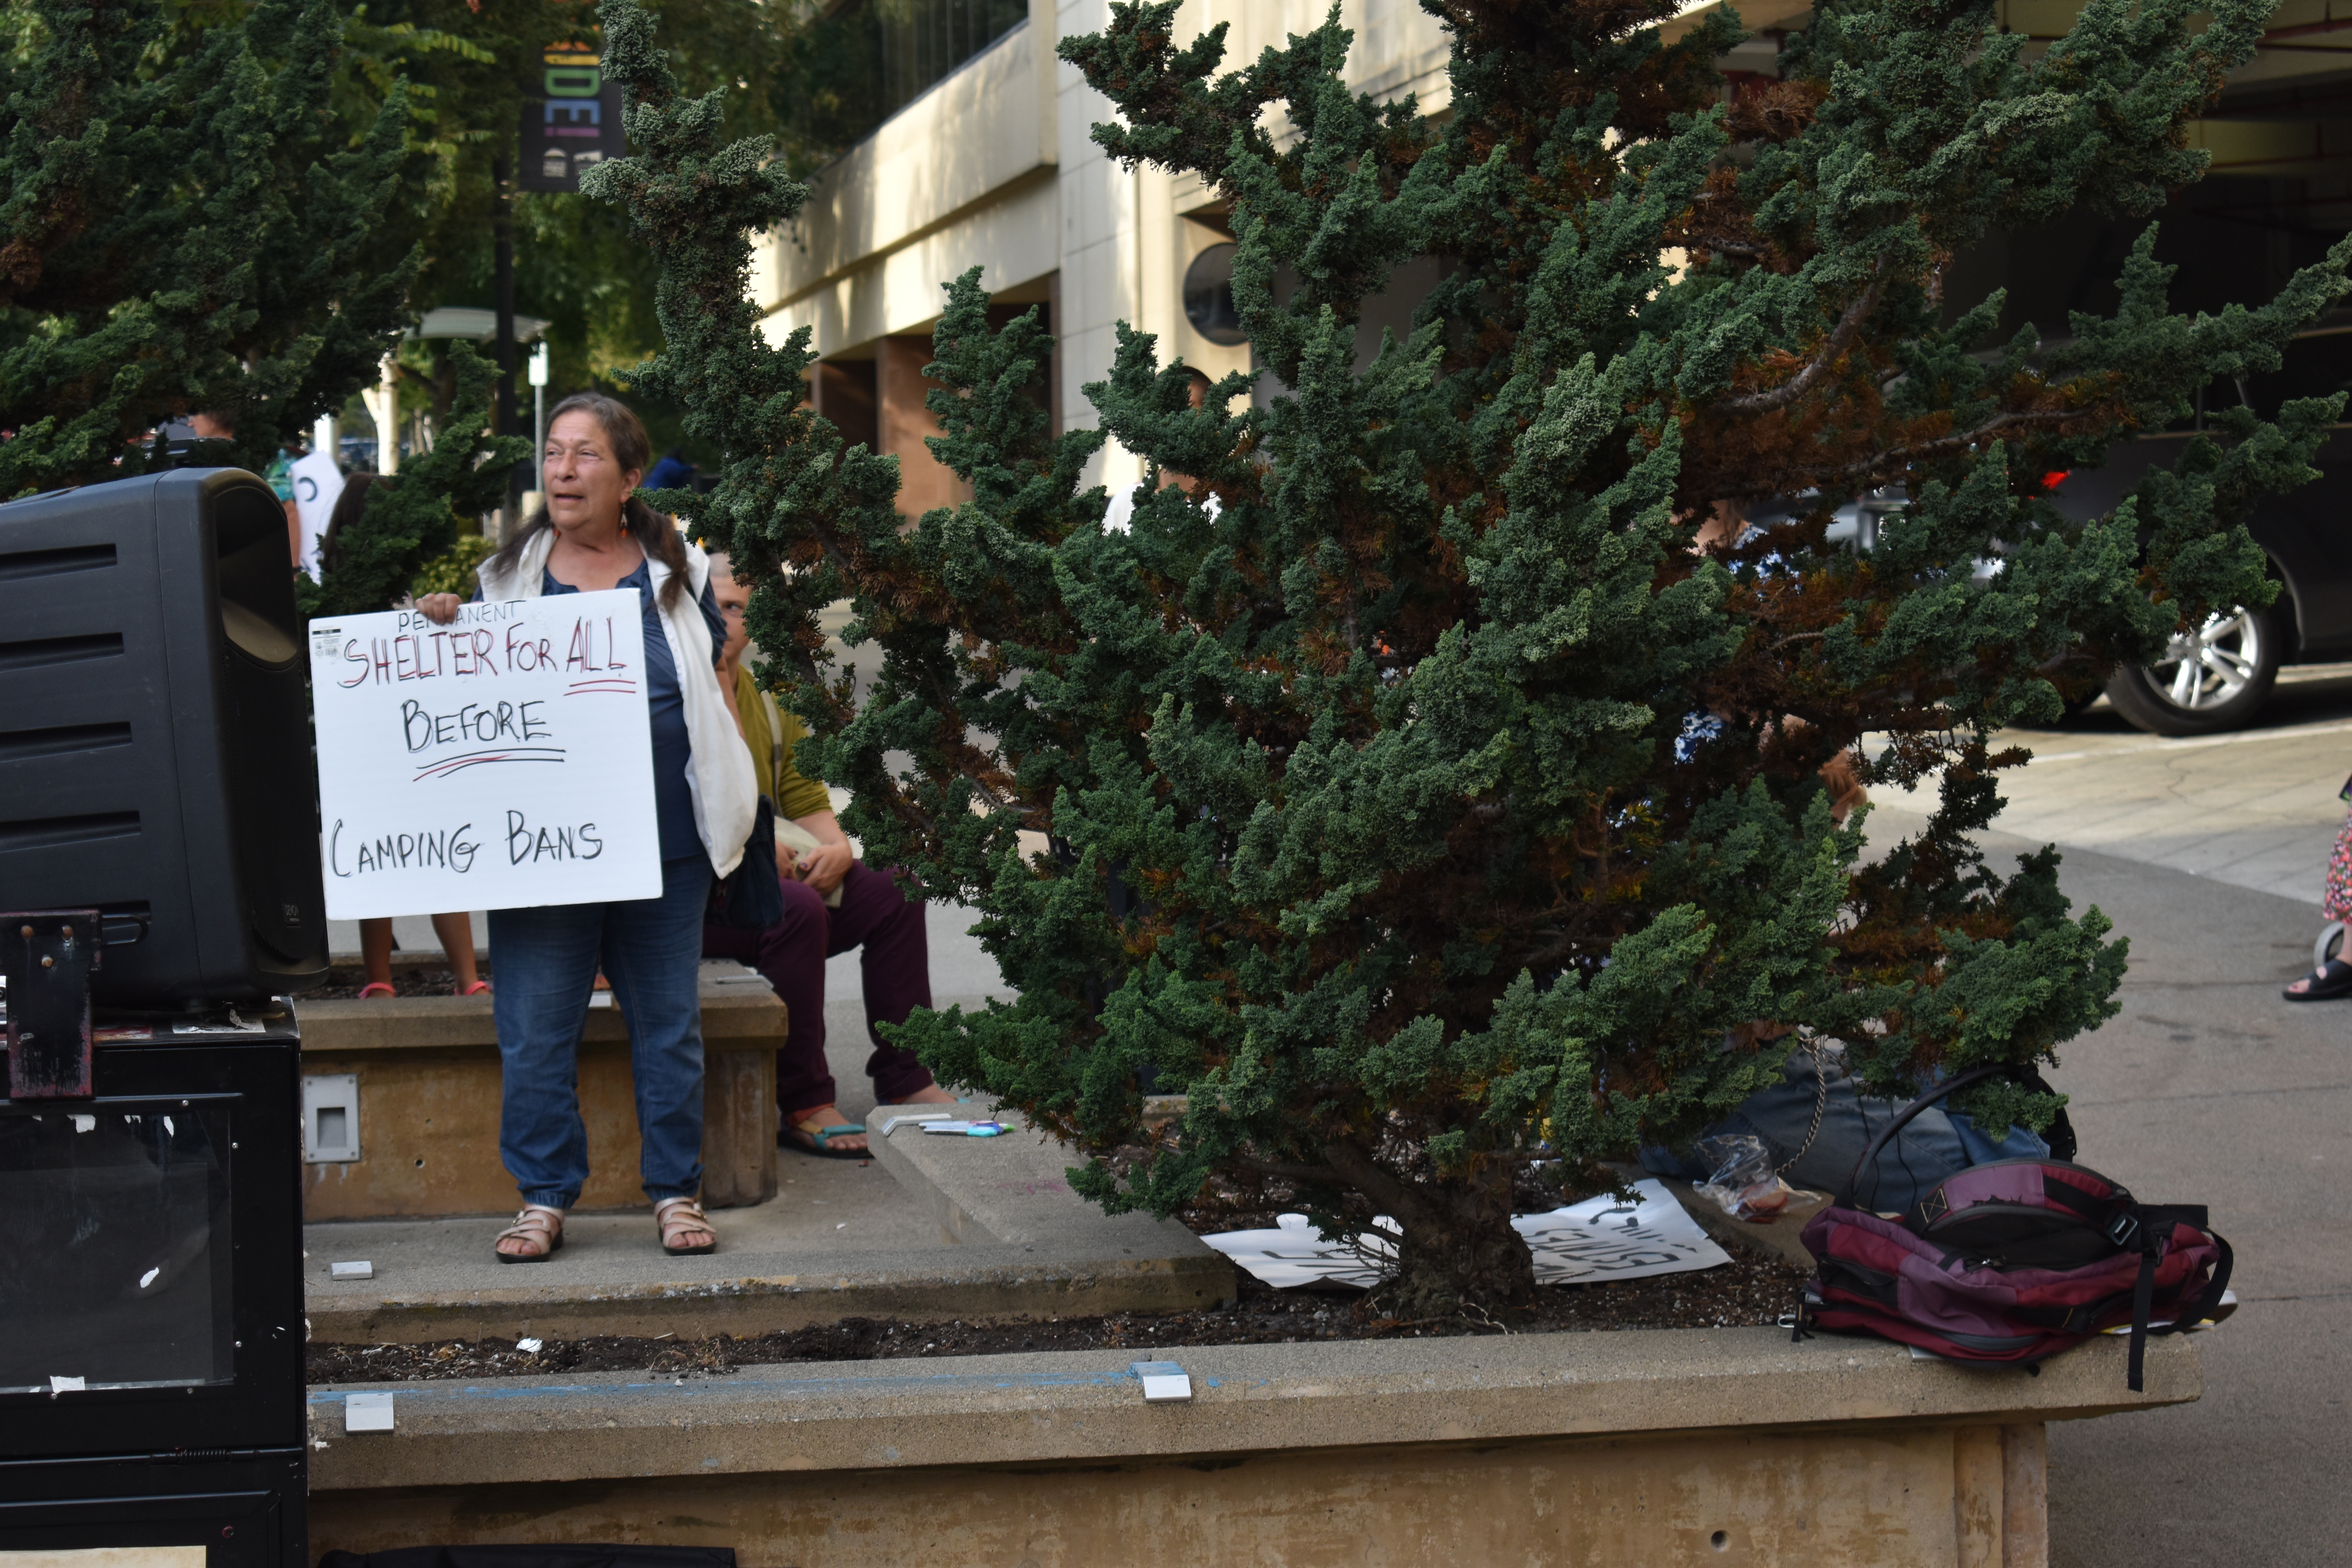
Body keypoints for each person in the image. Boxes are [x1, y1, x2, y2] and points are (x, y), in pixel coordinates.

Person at [414, 392, 754, 1262]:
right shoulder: (503, 583)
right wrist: (442, 630)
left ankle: (677, 1192)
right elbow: (469, 702)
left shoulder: (680, 568)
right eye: (555, 454)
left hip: (667, 842)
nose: (563, 471)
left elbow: (719, 692)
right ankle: (541, 1197)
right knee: (534, 1025)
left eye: (586, 455)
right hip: (545, 851)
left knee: (669, 1023)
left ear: (630, 476)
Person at [699, 553, 955, 1156]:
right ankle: (805, 1100)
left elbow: (804, 792)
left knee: (896, 889)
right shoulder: (672, 690)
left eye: (741, 612)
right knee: (794, 911)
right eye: (719, 606)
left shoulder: (767, 696)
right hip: (694, 904)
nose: (729, 622)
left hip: (761, 878)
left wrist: (838, 849)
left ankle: (906, 1077)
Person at [320, 477, 491, 999]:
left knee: (388, 856)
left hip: (383, 753)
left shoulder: (345, 606)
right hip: (409, 748)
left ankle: (381, 978)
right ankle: (462, 978)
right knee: (434, 857)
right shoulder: (364, 609)